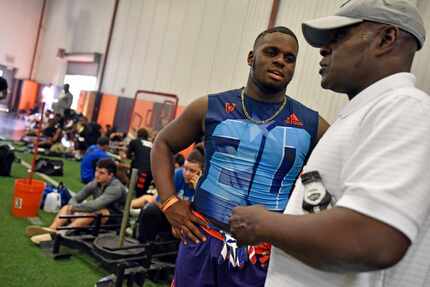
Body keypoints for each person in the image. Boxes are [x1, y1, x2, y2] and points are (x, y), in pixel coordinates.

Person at [229, 1, 430, 287]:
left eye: (339, 36)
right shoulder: (362, 116)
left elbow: (373, 238)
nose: (324, 49)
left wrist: (262, 224)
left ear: (387, 39)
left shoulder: (405, 110)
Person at [151, 26, 329, 286]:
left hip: (263, 255)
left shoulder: (312, 125)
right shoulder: (210, 107)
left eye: (289, 58)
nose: (280, 60)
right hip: (201, 240)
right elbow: (163, 143)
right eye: (272, 52)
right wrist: (169, 202)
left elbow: (336, 176)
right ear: (251, 57)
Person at [26, 158, 127, 242]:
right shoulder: (96, 182)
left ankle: (61, 234)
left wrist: (74, 209)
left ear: (111, 175)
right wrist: (71, 208)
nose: (97, 175)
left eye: (101, 173)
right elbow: (75, 198)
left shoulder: (115, 188)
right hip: (99, 214)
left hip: (116, 219)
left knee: (94, 211)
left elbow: (94, 206)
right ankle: (51, 229)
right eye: (96, 171)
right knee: (67, 207)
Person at [132, 146, 205, 243]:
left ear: (202, 173)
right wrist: (174, 222)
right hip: (171, 218)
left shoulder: (205, 187)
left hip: (190, 224)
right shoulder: (178, 174)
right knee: (151, 210)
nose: (186, 174)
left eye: (192, 171)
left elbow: (202, 215)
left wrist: (198, 189)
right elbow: (160, 201)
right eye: (185, 168)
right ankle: (142, 245)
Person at [127, 127, 153, 197]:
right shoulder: (151, 144)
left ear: (138, 134)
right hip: (151, 172)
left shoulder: (134, 141)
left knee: (137, 193)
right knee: (143, 194)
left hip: (140, 171)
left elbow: (128, 155)